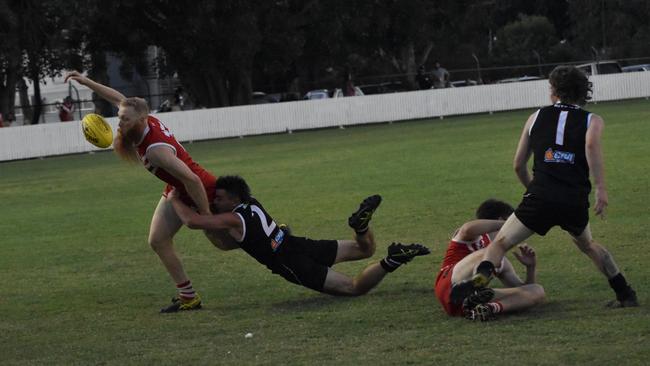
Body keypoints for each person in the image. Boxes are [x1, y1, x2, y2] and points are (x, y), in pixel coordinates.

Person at [450, 66, 638, 308]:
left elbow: (518, 165)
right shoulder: (593, 120)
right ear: (582, 92)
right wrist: (601, 189)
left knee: (500, 244)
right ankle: (625, 293)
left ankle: (484, 273)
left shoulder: (535, 117)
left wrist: (534, 190)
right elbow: (591, 147)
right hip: (573, 199)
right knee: (588, 245)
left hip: (540, 197)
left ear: (554, 91)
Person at [65, 70, 237, 313]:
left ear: (142, 120)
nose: (119, 123)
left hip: (199, 189)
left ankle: (265, 235)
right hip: (177, 188)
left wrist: (206, 214)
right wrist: (85, 82)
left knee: (224, 242)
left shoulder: (155, 149)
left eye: (125, 120)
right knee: (157, 240)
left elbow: (192, 179)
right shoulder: (139, 119)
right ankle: (189, 297)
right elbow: (118, 99)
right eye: (119, 117)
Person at [168, 175, 431, 296]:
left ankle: (392, 261)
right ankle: (361, 227)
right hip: (297, 243)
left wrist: (173, 197)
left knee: (353, 288)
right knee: (366, 249)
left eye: (220, 198)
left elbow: (193, 222)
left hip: (292, 263)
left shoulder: (234, 217)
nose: (215, 201)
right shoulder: (253, 203)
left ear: (235, 199)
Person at [435, 199, 545, 321]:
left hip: (463, 305)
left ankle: (487, 308)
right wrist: (511, 225)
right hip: (450, 286)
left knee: (537, 290)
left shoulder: (500, 260)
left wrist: (530, 267)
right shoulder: (477, 237)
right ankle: (476, 283)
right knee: (489, 255)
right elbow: (467, 228)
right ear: (501, 219)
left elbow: (521, 288)